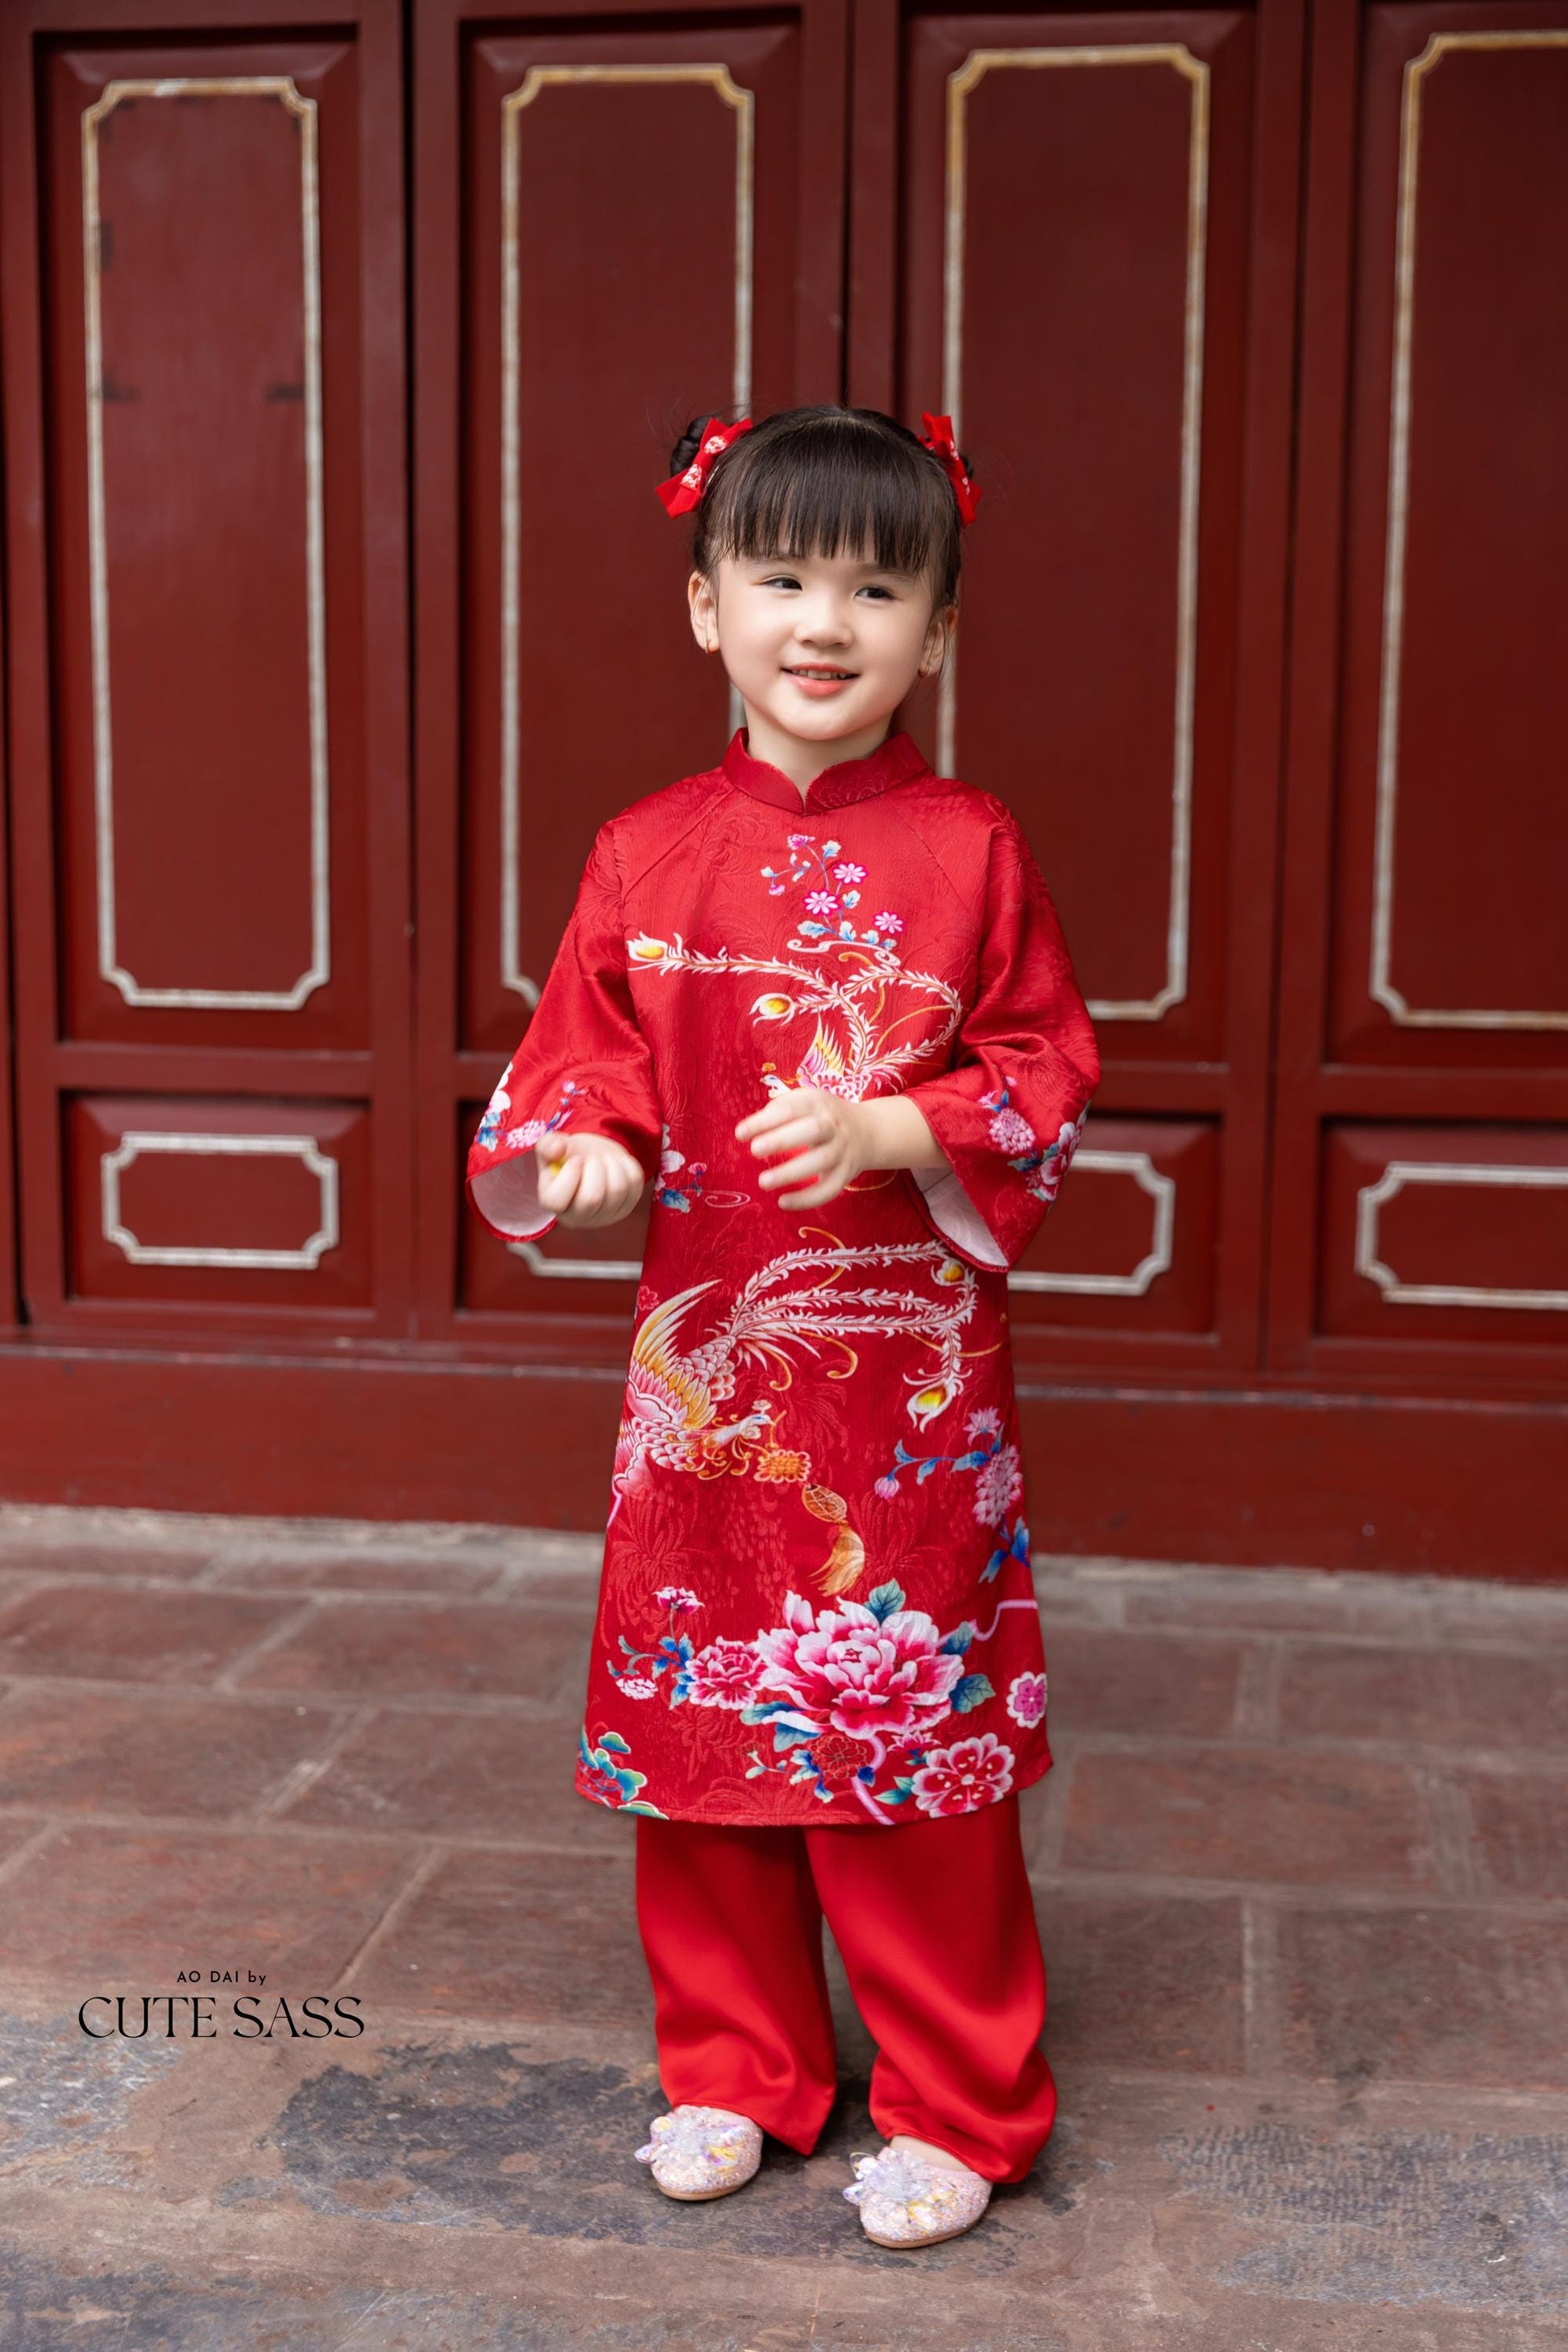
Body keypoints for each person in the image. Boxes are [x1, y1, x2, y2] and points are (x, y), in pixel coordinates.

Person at [466, 404, 1100, 2249]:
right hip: (704, 1382)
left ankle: (962, 2096)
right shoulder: (644, 851)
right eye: (780, 577)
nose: (824, 621)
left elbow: (1046, 1065)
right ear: (703, 606)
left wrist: (900, 1126)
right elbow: (568, 1071)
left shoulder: (974, 848)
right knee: (701, 1722)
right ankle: (734, 2065)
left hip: (904, 1393)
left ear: (938, 630)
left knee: (906, 1727)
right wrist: (579, 1156)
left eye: (876, 585)